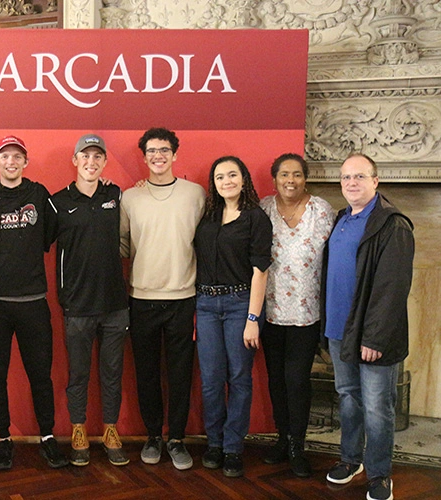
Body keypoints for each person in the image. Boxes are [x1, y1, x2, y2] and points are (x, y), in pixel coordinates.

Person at [0, 135, 68, 471]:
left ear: (26, 162)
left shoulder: (39, 195)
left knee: (40, 375)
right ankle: (3, 440)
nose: (11, 162)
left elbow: (58, 226)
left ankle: (47, 438)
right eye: (4, 157)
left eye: (17, 157)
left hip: (32, 302)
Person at [322, 153, 414, 500]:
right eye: (345, 177)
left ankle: (379, 474)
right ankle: (351, 459)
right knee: (348, 399)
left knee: (378, 407)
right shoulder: (341, 219)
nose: (351, 183)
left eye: (359, 177)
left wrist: (374, 337)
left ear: (376, 181)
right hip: (337, 330)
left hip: (373, 335)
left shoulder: (392, 224)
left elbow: (393, 288)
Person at [120, 127, 205, 470]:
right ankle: (153, 435)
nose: (158, 155)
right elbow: (123, 245)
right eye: (151, 151)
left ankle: (177, 438)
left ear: (175, 154)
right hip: (140, 298)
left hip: (183, 297)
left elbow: (206, 241)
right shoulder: (130, 197)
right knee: (147, 372)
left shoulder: (195, 194)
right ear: (144, 157)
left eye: (164, 150)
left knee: (181, 373)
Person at [49, 134, 129, 467]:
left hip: (114, 304)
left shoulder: (117, 195)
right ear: (75, 160)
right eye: (85, 156)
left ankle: (110, 430)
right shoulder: (57, 202)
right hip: (77, 306)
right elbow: (32, 240)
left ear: (104, 162)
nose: (91, 162)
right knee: (78, 374)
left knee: (112, 373)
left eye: (98, 157)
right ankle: (78, 429)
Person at [194, 155, 272, 478]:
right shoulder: (208, 216)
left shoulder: (256, 218)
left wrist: (253, 318)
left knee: (239, 378)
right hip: (206, 305)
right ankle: (214, 442)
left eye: (232, 175)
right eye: (220, 177)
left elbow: (260, 272)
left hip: (242, 304)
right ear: (213, 183)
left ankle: (233, 447)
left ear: (244, 179)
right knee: (211, 379)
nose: (226, 181)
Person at [259, 153, 334, 477]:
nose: (291, 180)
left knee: (297, 381)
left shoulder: (321, 210)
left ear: (306, 179)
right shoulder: (263, 209)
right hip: (270, 312)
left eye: (297, 175)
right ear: (275, 178)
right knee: (275, 380)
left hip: (306, 314)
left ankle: (297, 446)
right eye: (284, 174)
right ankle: (281, 439)